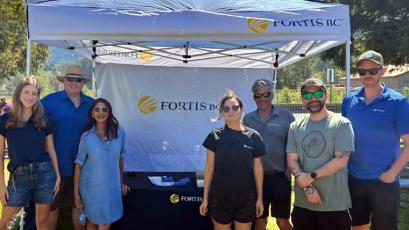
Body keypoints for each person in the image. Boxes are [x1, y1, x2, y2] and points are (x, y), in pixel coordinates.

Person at [342, 50, 409, 230]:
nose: (367, 75)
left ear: (383, 71)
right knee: (357, 227)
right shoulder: (349, 100)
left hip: (384, 182)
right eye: (363, 71)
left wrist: (392, 174)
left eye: (372, 70)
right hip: (354, 178)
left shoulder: (398, 102)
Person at [287, 78, 355, 230]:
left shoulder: (341, 124)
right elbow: (292, 161)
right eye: (307, 95)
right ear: (302, 99)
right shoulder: (295, 127)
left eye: (318, 93)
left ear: (326, 94)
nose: (313, 99)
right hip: (303, 205)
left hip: (334, 206)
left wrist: (310, 177)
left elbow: (341, 160)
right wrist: (307, 187)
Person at [0, 76, 61, 229]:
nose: (30, 97)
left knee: (42, 222)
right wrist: (1, 184)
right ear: (18, 93)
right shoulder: (5, 120)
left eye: (34, 94)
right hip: (18, 176)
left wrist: (58, 176)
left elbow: (51, 150)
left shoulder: (43, 119)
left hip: (44, 174)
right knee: (4, 222)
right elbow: (0, 154)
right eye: (26, 92)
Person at [199, 91, 265, 230]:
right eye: (226, 108)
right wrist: (205, 198)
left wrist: (259, 198)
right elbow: (209, 168)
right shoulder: (215, 136)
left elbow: (258, 169)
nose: (231, 111)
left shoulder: (254, 136)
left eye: (235, 107)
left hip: (246, 197)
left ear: (242, 110)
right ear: (222, 112)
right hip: (219, 197)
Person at [41, 64, 94, 230]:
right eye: (70, 79)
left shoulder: (92, 105)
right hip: (54, 167)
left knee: (79, 207)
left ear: (83, 83)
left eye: (78, 80)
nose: (73, 82)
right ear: (64, 81)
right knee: (52, 208)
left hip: (82, 168)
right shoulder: (49, 102)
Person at [243, 79, 294, 230]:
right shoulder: (247, 119)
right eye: (258, 95)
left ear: (272, 95)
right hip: (256, 179)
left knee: (282, 221)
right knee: (259, 221)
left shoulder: (287, 117)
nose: (262, 98)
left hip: (280, 177)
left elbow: (293, 147)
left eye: (266, 94)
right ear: (254, 97)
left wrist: (288, 172)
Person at [74, 98, 128, 230]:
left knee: (105, 222)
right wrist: (76, 194)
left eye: (104, 109)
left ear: (109, 113)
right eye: (97, 109)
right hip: (90, 187)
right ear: (92, 113)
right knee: (91, 221)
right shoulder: (86, 137)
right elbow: (79, 165)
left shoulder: (120, 133)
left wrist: (121, 183)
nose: (100, 113)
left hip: (111, 188)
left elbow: (121, 160)